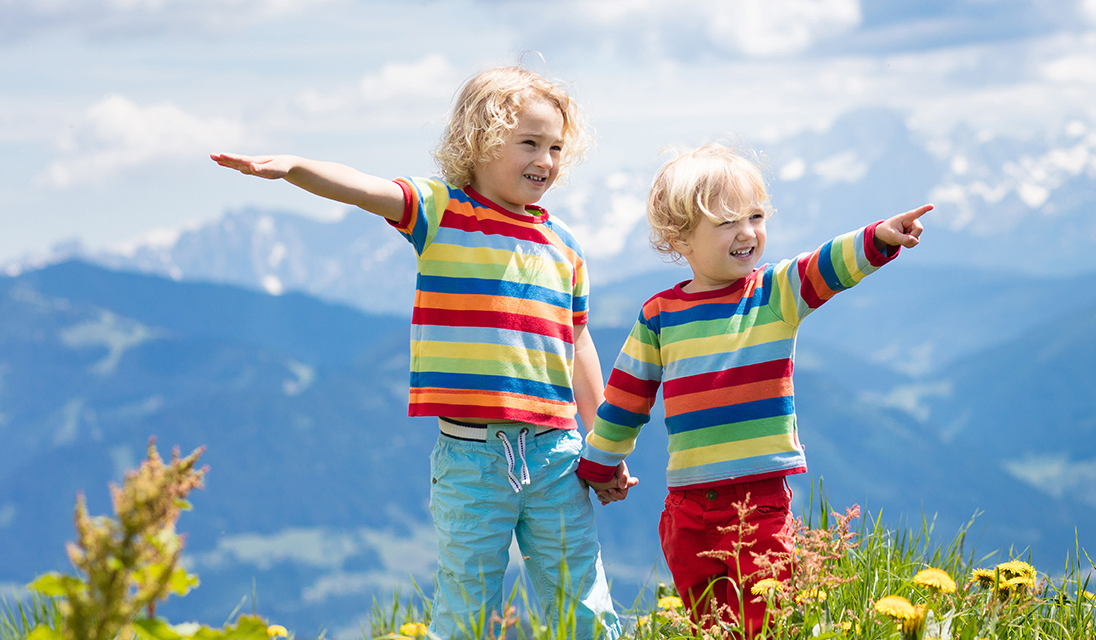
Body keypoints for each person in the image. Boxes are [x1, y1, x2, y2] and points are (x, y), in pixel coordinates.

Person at [211, 65, 631, 640]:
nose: (547, 160)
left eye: (556, 146)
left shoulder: (564, 244)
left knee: (581, 601)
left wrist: (604, 445)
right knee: (465, 604)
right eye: (529, 143)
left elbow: (578, 340)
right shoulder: (440, 212)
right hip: (472, 458)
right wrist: (293, 168)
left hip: (558, 453)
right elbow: (361, 187)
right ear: (480, 141)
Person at [576, 143, 929, 634]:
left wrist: (878, 240)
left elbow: (825, 265)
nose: (747, 233)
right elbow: (626, 398)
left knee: (767, 623)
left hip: (761, 501)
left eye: (756, 216)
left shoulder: (774, 293)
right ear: (681, 239)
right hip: (687, 507)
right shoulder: (659, 316)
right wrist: (599, 462)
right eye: (726, 222)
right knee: (711, 623)